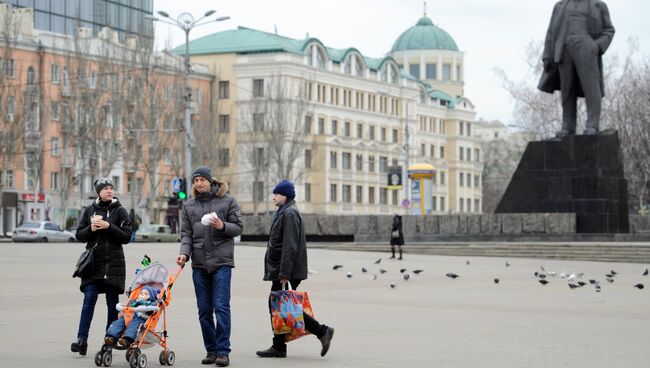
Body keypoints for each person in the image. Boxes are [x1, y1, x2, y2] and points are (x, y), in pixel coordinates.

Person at [256, 180, 335, 359]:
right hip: (282, 269)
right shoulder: (284, 211)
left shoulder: (290, 213)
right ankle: (279, 346)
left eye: (276, 193)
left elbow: (290, 246)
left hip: (285, 271)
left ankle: (322, 331)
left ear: (284, 195)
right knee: (279, 306)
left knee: (284, 307)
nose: (273, 196)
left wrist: (284, 273)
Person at [176, 166, 243, 367]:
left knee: (221, 307)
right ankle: (211, 350)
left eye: (202, 180)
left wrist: (221, 225)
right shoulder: (188, 206)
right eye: (195, 181)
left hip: (222, 262)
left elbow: (238, 227)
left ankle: (223, 351)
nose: (199, 184)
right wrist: (183, 253)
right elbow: (186, 234)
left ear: (210, 181)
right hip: (198, 264)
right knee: (204, 310)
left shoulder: (228, 201)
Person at [72, 177, 132, 355]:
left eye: (111, 188)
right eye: (105, 188)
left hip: (114, 265)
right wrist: (91, 228)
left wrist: (108, 226)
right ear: (98, 191)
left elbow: (127, 236)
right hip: (93, 264)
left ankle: (109, 341)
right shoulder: (90, 210)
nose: (109, 191)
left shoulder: (120, 211)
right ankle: (81, 339)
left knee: (112, 305)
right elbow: (79, 235)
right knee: (88, 300)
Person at [538, 0, 615, 136]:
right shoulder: (559, 6)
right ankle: (567, 127)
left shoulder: (598, 5)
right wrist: (547, 56)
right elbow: (550, 32)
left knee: (591, 87)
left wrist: (596, 46)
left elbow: (609, 30)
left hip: (586, 48)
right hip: (563, 49)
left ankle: (592, 125)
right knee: (567, 89)